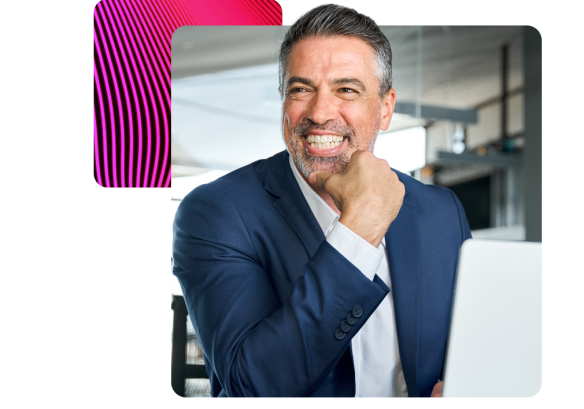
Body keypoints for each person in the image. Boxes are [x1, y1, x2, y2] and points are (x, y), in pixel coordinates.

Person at [173, 4, 471, 398]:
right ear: (283, 104)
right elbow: (251, 387)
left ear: (385, 107)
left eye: (346, 89)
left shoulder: (441, 211)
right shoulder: (217, 212)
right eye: (301, 89)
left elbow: (469, 347)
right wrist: (358, 231)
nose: (319, 112)